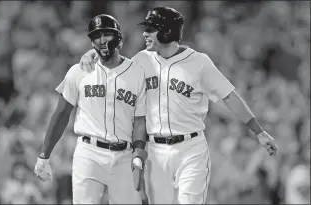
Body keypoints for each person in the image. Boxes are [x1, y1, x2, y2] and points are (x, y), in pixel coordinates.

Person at [79, 7, 278, 204]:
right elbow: (115, 67)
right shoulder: (141, 60)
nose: (145, 34)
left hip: (190, 150)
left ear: (167, 31)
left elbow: (229, 96)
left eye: (151, 29)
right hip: (155, 152)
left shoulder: (199, 63)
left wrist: (258, 131)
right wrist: (93, 53)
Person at [34, 14, 148, 204]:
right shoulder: (79, 71)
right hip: (89, 153)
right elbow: (61, 114)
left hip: (124, 156)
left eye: (107, 35)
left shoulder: (137, 72)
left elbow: (139, 119)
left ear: (118, 38)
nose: (102, 40)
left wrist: (138, 154)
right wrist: (44, 156)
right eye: (97, 36)